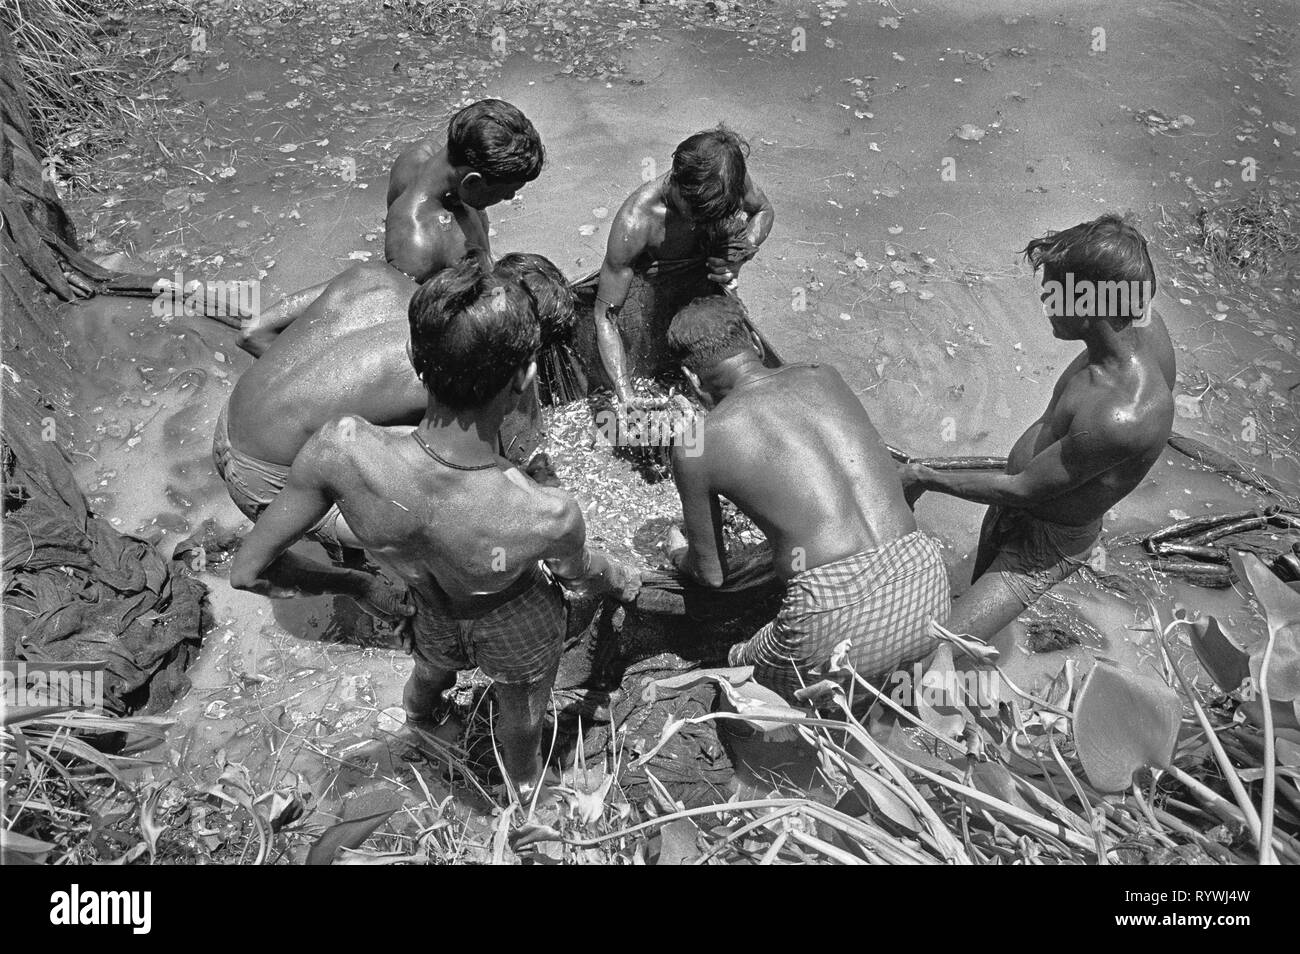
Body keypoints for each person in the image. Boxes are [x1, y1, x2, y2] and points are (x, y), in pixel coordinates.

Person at [230, 257, 639, 793]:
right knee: (522, 706)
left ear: (412, 355)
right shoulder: (547, 513)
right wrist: (620, 575)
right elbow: (580, 575)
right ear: (526, 376)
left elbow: (247, 572)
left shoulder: (341, 448)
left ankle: (422, 722)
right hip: (511, 622)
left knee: (429, 670)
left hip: (427, 606)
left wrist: (355, 583)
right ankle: (525, 785)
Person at [899, 214, 1175, 649]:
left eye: (1052, 292)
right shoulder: (1138, 327)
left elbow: (1024, 489)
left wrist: (924, 477)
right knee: (966, 609)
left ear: (1089, 303)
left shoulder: (1124, 415)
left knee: (936, 646)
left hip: (1042, 544)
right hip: (1015, 503)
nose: (1045, 301)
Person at [662, 296, 949, 703]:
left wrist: (678, 552)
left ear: (692, 380)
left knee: (737, 673)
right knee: (874, 680)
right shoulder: (824, 375)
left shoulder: (695, 444)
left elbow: (711, 575)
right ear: (757, 347)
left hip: (832, 621)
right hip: (927, 586)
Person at [213, 253, 575, 567]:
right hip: (261, 483)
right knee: (446, 520)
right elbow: (479, 486)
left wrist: (326, 399)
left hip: (231, 417)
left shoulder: (378, 277)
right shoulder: (447, 377)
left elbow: (251, 334)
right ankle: (359, 569)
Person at [238, 99, 544, 355]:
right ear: (472, 182)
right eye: (506, 191)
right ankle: (264, 328)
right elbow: (374, 298)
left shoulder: (423, 154)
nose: (510, 197)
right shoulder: (418, 243)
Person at [589, 126, 774, 402]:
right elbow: (605, 316)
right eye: (695, 213)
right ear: (676, 181)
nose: (699, 222)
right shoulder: (636, 222)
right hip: (653, 294)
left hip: (704, 284)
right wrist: (625, 391)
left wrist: (738, 255)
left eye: (712, 214)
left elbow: (763, 210)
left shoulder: (726, 177)